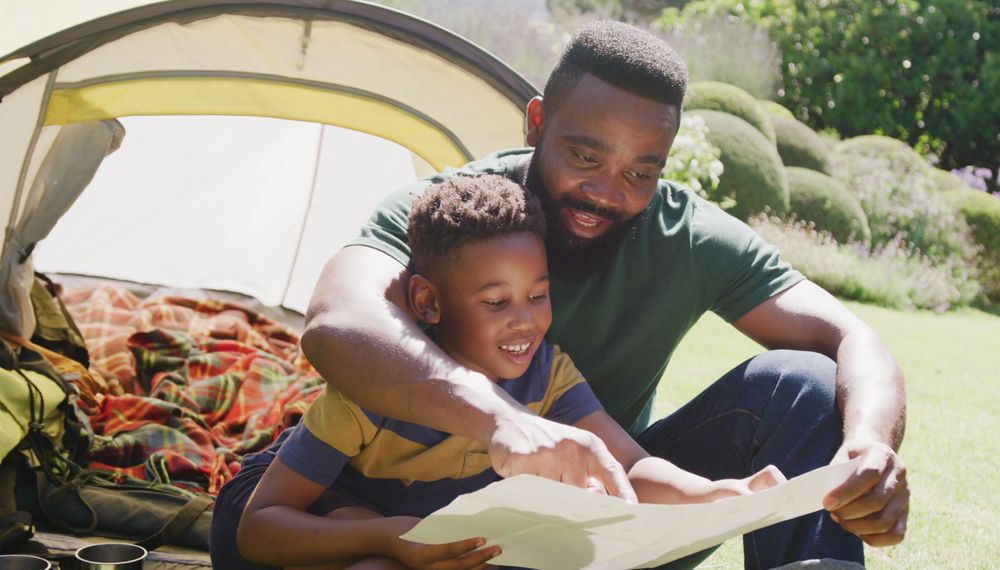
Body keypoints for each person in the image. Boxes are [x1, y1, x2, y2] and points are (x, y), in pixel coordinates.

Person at [302, 21, 908, 570]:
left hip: (600, 507)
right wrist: (499, 420)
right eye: (584, 155)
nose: (605, 193)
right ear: (537, 123)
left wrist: (870, 449)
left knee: (803, 383)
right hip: (403, 510)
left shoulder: (688, 236)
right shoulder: (454, 220)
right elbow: (337, 320)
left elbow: (853, 337)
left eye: (640, 173)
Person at [209, 175, 787, 569]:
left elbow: (630, 468)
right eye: (496, 302)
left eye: (538, 295)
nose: (526, 322)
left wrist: (714, 496)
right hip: (295, 522)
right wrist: (394, 536)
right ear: (428, 303)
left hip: (419, 538)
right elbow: (258, 527)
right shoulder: (376, 390)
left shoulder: (546, 378)